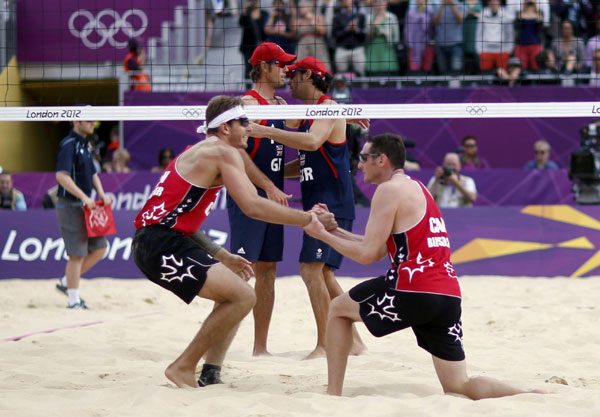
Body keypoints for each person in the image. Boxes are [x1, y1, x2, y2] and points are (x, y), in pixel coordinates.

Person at [303, 132, 549, 398]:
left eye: (364, 158)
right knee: (459, 385)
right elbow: (373, 245)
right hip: (447, 297)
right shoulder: (419, 188)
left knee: (339, 310)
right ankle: (527, 394)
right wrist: (336, 231)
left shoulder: (388, 190)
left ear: (382, 160)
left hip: (413, 290)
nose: (360, 165)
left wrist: (322, 236)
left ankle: (333, 395)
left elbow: (367, 256)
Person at [131, 95, 335, 388]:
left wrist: (222, 255)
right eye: (242, 122)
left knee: (235, 291)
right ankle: (183, 366)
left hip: (159, 240)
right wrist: (308, 220)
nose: (248, 127)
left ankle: (211, 371)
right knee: (243, 297)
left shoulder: (204, 150)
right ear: (225, 127)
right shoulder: (220, 152)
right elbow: (252, 205)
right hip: (161, 245)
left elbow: (177, 219)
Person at [248, 56, 368, 359]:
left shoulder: (328, 106)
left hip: (332, 203)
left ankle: (327, 344)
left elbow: (313, 142)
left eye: (294, 74)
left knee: (311, 269)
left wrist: (266, 133)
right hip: (319, 203)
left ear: (310, 76)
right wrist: (271, 176)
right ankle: (354, 341)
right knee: (323, 273)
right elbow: (301, 160)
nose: (288, 78)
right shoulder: (310, 113)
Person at [231, 41, 297, 356]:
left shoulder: (282, 106)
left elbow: (311, 129)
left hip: (273, 195)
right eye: (280, 64)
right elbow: (239, 157)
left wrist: (348, 120)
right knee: (241, 269)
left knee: (268, 270)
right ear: (265, 67)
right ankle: (219, 342)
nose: (286, 69)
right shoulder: (246, 104)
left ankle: (260, 348)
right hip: (249, 194)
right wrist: (270, 186)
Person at [55, 120, 112, 309]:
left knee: (100, 248)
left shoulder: (86, 145)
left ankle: (66, 282)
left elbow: (93, 173)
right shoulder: (68, 144)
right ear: (75, 121)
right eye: (88, 120)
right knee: (77, 254)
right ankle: (73, 301)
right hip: (70, 204)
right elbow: (61, 176)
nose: (92, 124)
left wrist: (101, 193)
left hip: (86, 205)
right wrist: (83, 196)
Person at [332, 0, 368, 77]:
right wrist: (347, 29)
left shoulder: (361, 16)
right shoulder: (337, 16)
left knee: (361, 74)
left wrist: (356, 29)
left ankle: (362, 88)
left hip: (357, 49)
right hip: (342, 49)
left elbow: (364, 35)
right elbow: (334, 35)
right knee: (340, 76)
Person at [476, 0, 512, 73]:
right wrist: (479, 50)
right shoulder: (483, 14)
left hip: (502, 51)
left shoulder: (506, 15)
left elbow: (510, 35)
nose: (493, 3)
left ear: (499, 2)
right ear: (488, 2)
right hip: (486, 51)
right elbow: (478, 34)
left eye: (496, 1)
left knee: (503, 77)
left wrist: (508, 50)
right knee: (485, 77)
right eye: (491, 1)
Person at [239, 0, 269, 81]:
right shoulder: (247, 14)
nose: (253, 2)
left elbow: (264, 26)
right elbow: (241, 23)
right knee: (248, 70)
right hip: (248, 47)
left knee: (262, 70)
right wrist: (245, 9)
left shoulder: (264, 14)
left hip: (262, 47)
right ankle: (248, 88)